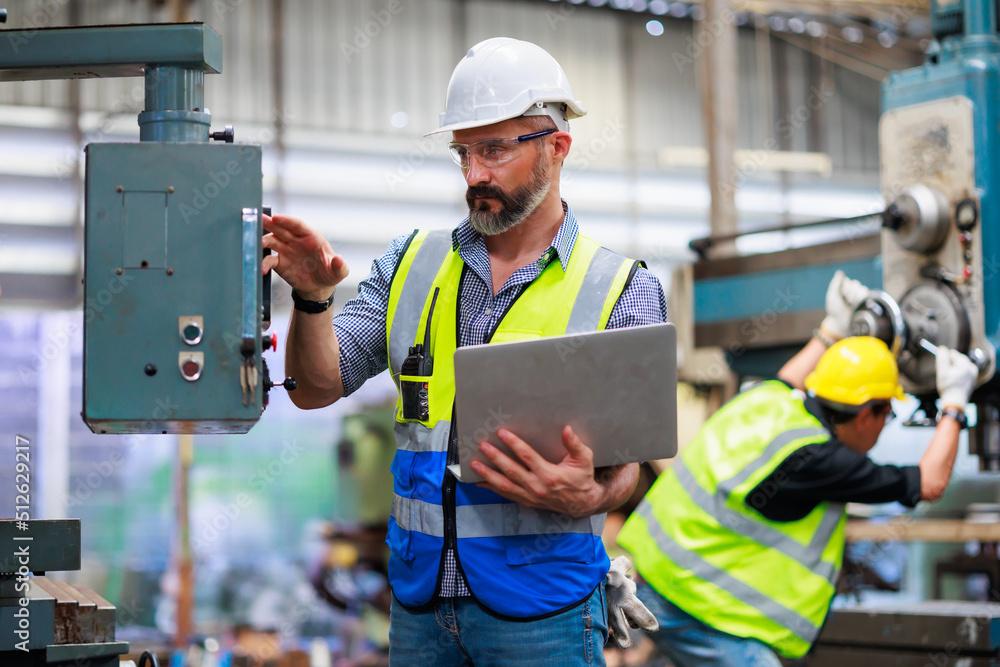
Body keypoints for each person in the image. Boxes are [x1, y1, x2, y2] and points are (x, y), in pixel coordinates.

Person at [261, 37, 666, 665]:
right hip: (421, 608)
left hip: (544, 614)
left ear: (557, 148)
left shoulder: (621, 288)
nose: (475, 174)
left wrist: (592, 498)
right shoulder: (410, 266)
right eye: (464, 153)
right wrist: (313, 298)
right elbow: (316, 388)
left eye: (496, 149)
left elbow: (628, 469)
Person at [617, 270, 981, 666]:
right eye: (887, 413)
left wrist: (831, 329)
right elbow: (929, 482)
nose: (885, 424)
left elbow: (793, 375)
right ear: (865, 416)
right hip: (700, 605)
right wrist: (955, 404)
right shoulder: (825, 460)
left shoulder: (771, 398)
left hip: (650, 579)